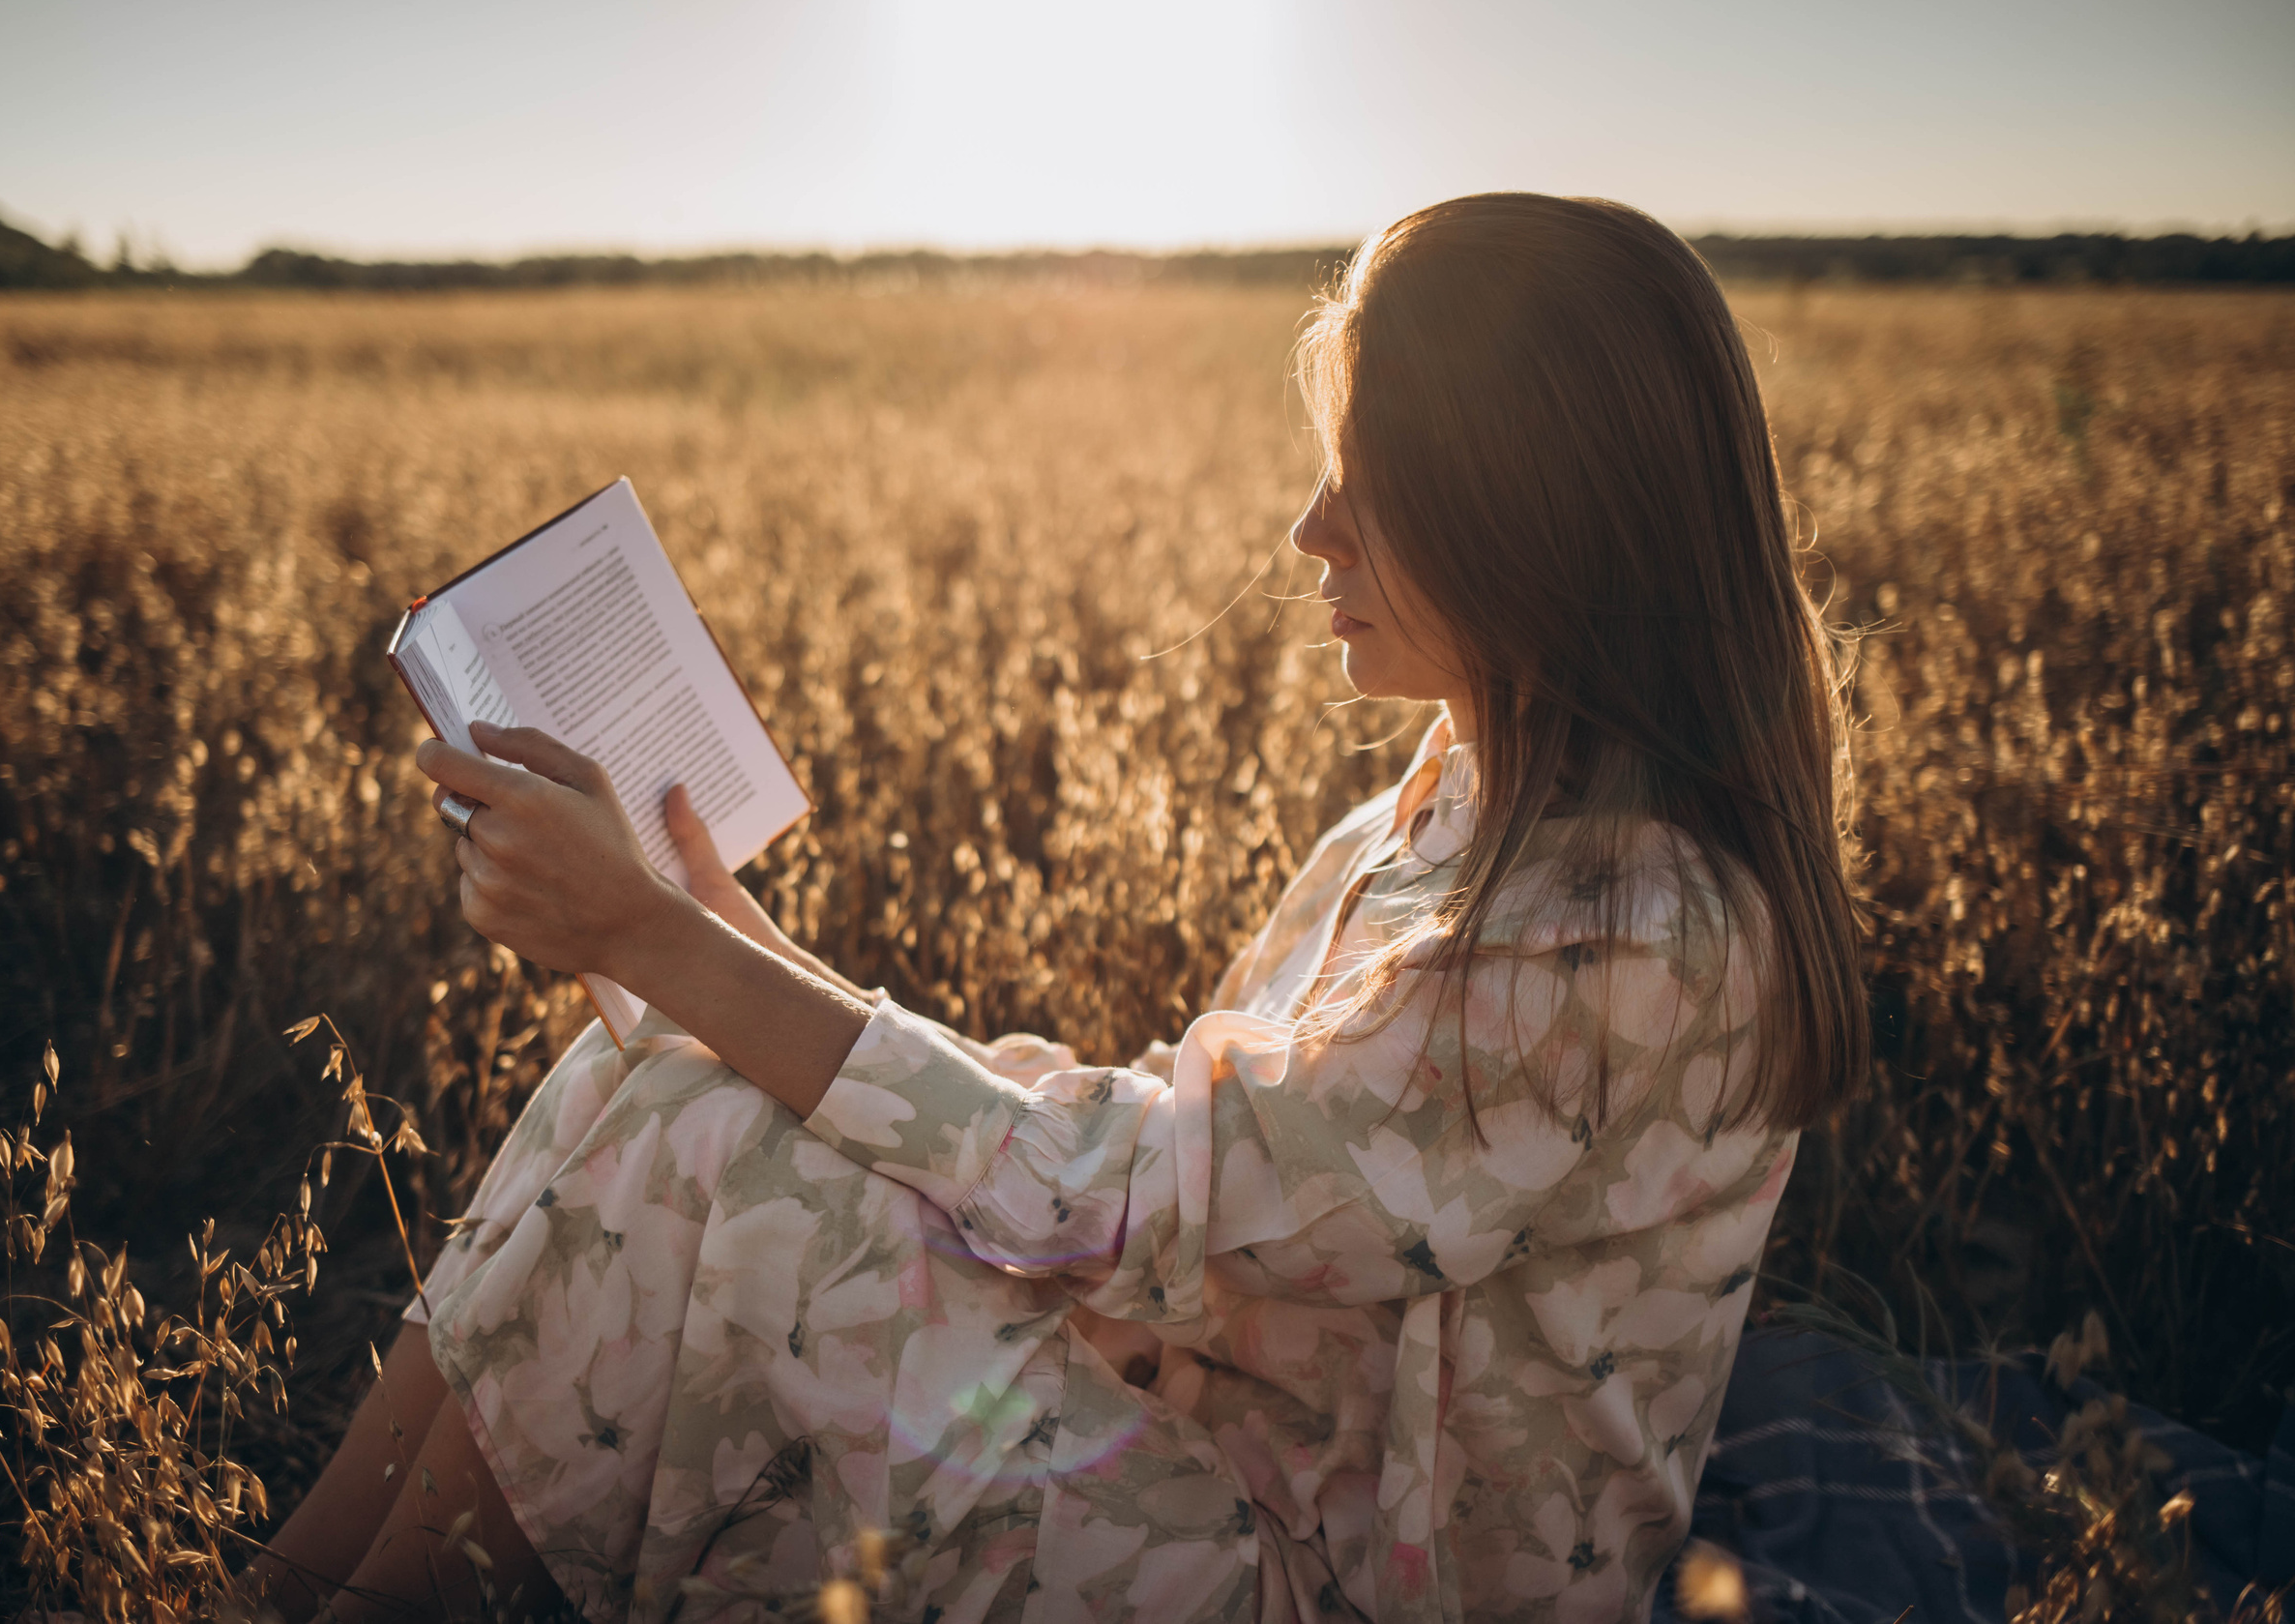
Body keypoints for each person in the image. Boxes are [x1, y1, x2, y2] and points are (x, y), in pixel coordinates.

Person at [250, 192, 1867, 1624]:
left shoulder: (1628, 938)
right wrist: (725, 946)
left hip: (1327, 1580)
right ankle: (264, 1600)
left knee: (700, 1136)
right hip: (1225, 1451)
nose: (1311, 534)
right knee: (648, 1069)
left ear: (1539, 513)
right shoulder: (1469, 788)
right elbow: (1188, 1152)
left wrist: (661, 939)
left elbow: (1134, 1200)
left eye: (1374, 487)